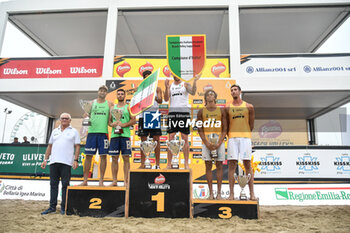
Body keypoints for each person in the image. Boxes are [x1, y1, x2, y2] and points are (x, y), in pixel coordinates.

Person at [41, 113, 80, 215]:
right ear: (60, 119)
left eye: (66, 118)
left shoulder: (74, 131)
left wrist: (76, 160)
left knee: (65, 185)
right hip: (53, 162)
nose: (64, 120)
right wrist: (45, 159)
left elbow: (77, 147)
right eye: (62, 118)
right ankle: (52, 207)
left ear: (70, 120)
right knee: (53, 185)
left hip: (66, 162)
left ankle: (64, 207)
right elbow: (49, 146)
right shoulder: (54, 131)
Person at [226, 84, 256, 200]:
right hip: (233, 138)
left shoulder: (249, 106)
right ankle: (231, 194)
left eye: (235, 90)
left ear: (240, 92)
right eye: (231, 90)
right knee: (232, 165)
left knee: (247, 165)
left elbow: (251, 125)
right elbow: (227, 124)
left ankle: (252, 194)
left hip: (245, 138)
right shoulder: (228, 107)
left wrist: (245, 133)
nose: (233, 92)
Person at [164, 73, 200, 169]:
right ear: (171, 74)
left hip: (183, 113)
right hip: (173, 113)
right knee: (171, 137)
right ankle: (169, 164)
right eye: (173, 74)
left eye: (176, 74)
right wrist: (166, 87)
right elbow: (166, 98)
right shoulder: (170, 85)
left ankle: (186, 164)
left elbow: (192, 92)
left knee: (184, 138)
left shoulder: (185, 84)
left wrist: (195, 81)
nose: (175, 75)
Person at [81, 85, 113, 186]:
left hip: (103, 133)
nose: (102, 92)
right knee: (88, 156)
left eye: (104, 91)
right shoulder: (91, 103)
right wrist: (86, 115)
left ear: (106, 93)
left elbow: (110, 120)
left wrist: (117, 124)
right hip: (91, 133)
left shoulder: (110, 104)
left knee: (103, 156)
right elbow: (85, 115)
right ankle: (85, 180)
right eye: (101, 90)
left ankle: (101, 181)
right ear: (98, 92)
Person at [197, 89, 227, 200]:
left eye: (212, 94)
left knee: (219, 166)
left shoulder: (221, 110)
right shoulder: (201, 111)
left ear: (215, 97)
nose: (210, 96)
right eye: (208, 94)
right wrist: (206, 143)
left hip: (219, 140)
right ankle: (211, 194)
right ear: (205, 98)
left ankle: (219, 193)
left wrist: (219, 142)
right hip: (207, 141)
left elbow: (225, 128)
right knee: (208, 166)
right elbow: (200, 129)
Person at [108, 89, 136, 186]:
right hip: (115, 136)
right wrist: (113, 124)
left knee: (126, 158)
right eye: (118, 94)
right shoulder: (112, 108)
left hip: (125, 136)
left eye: (122, 94)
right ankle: (115, 181)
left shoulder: (128, 107)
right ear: (116, 96)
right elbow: (109, 122)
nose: (120, 95)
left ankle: (126, 181)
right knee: (114, 158)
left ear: (124, 96)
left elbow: (133, 120)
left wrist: (123, 125)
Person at [138, 70, 162, 169]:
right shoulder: (140, 89)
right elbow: (137, 104)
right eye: (145, 77)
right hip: (143, 116)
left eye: (149, 76)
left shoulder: (157, 88)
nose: (147, 78)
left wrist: (153, 96)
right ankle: (143, 164)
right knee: (143, 140)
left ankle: (157, 164)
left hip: (153, 115)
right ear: (143, 78)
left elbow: (160, 100)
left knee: (156, 139)